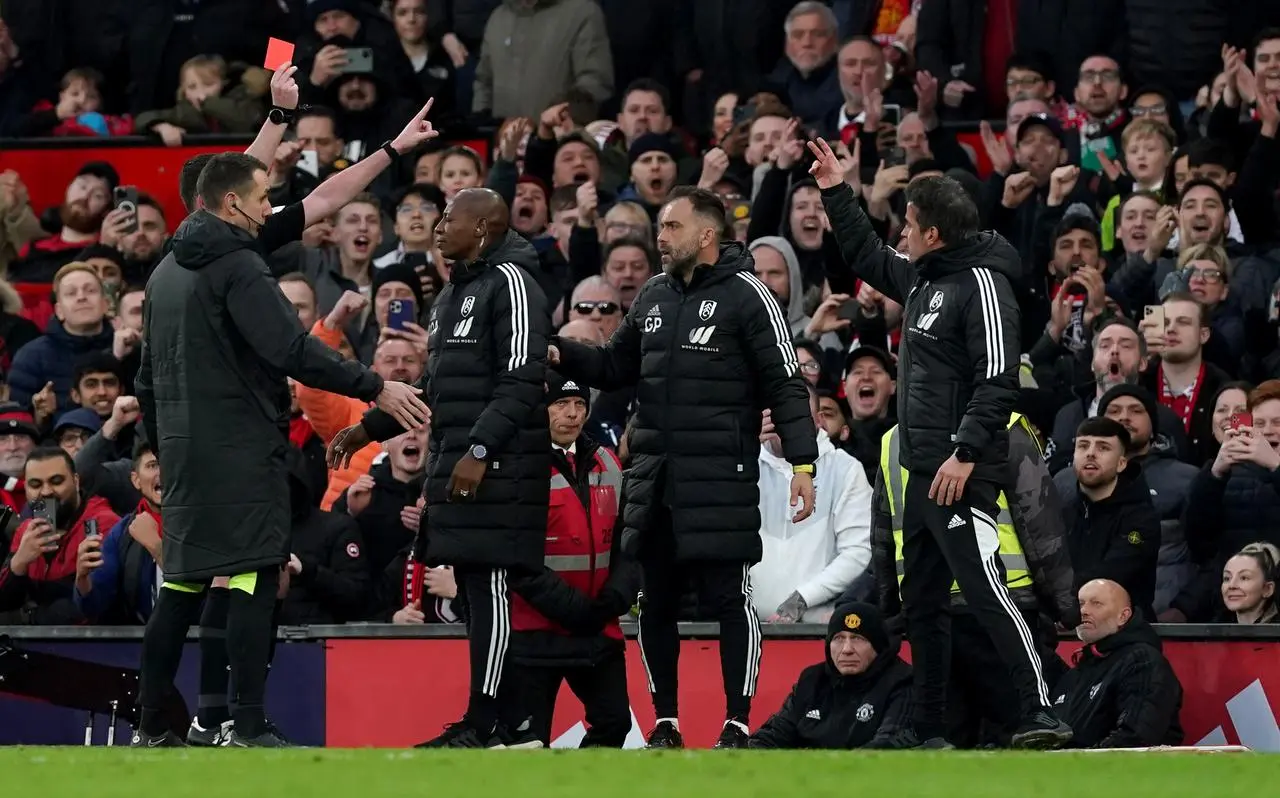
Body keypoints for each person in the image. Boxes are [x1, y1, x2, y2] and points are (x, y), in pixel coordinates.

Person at [131, 152, 428, 749]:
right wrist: (377, 385)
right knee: (253, 577)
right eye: (263, 197)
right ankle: (245, 723)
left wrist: (163, 444)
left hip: (185, 452)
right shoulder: (239, 264)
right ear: (233, 203)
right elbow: (291, 350)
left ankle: (149, 726)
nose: (271, 208)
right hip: (241, 447)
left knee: (184, 585)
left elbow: (144, 379)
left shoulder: (165, 271)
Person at [809, 136, 1069, 750]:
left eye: (908, 225)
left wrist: (965, 454)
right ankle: (927, 729)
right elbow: (867, 256)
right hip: (923, 474)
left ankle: (1040, 709)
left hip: (958, 469)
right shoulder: (928, 280)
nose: (900, 235)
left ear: (933, 234)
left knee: (985, 590)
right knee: (922, 608)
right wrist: (834, 190)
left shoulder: (980, 284)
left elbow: (999, 377)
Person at [548, 186, 818, 749]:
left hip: (721, 478)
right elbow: (614, 366)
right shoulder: (652, 295)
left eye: (671, 228)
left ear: (706, 234)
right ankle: (666, 721)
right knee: (657, 603)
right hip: (655, 478)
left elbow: (785, 382)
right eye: (660, 227)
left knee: (728, 601)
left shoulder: (749, 295)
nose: (660, 239)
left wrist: (803, 463)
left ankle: (737, 723)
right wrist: (561, 353)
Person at [327, 187, 550, 748]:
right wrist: (371, 426)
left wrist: (479, 451)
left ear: (482, 229)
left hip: (499, 467)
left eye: (450, 217)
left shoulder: (513, 284)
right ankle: (504, 722)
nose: (436, 223)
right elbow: (435, 389)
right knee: (479, 591)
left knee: (493, 589)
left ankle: (486, 720)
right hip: (458, 467)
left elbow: (523, 380)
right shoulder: (454, 293)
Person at [875, 411, 1079, 747]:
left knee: (946, 741)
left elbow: (883, 529)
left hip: (929, 608)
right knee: (1018, 735)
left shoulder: (894, 437)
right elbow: (1038, 517)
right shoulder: (1004, 422)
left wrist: (890, 605)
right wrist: (1064, 604)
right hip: (1004, 601)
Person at [498, 373, 639, 749]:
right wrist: (576, 609)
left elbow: (630, 539)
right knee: (526, 744)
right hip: (536, 631)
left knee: (614, 724)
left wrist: (617, 595)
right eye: (561, 405)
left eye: (579, 405)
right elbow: (517, 559)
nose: (572, 414)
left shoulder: (607, 462)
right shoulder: (519, 469)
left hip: (598, 629)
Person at [748, 602, 914, 750]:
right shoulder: (813, 679)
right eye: (839, 638)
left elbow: (887, 745)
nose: (847, 649)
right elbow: (775, 734)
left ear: (877, 646)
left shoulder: (901, 681)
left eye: (858, 638)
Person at [1053, 579, 1183, 749]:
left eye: (1096, 604)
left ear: (1123, 616)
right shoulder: (1076, 672)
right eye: (1080, 604)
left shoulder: (1141, 662)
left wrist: (1080, 765)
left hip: (1122, 772)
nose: (1083, 611)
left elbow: (1136, 737)